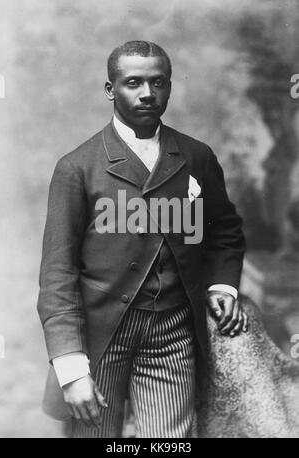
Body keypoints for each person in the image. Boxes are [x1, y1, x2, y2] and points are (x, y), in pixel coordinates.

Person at [37, 40, 247, 438]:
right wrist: (70, 369)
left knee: (171, 442)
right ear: (110, 89)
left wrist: (223, 286)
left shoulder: (196, 156)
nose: (148, 94)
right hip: (101, 333)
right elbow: (57, 275)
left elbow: (224, 232)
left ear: (169, 87)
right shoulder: (77, 168)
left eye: (158, 83)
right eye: (133, 82)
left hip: (172, 326)